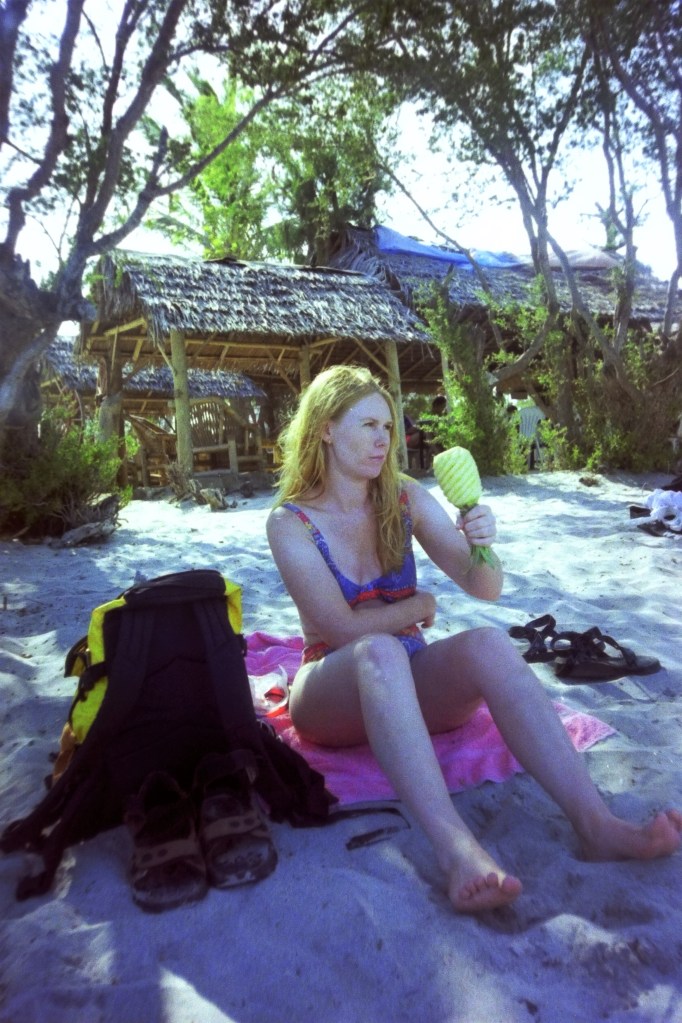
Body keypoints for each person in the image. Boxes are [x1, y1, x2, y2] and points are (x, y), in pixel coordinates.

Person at [266, 365, 681, 914]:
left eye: (387, 427)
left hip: (404, 679)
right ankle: (457, 851)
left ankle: (596, 824)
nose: (383, 440)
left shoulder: (404, 497)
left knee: (488, 642)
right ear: (325, 428)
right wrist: (418, 606)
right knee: (378, 649)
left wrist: (482, 540)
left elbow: (485, 588)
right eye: (367, 425)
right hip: (331, 692)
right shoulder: (290, 522)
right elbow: (341, 630)